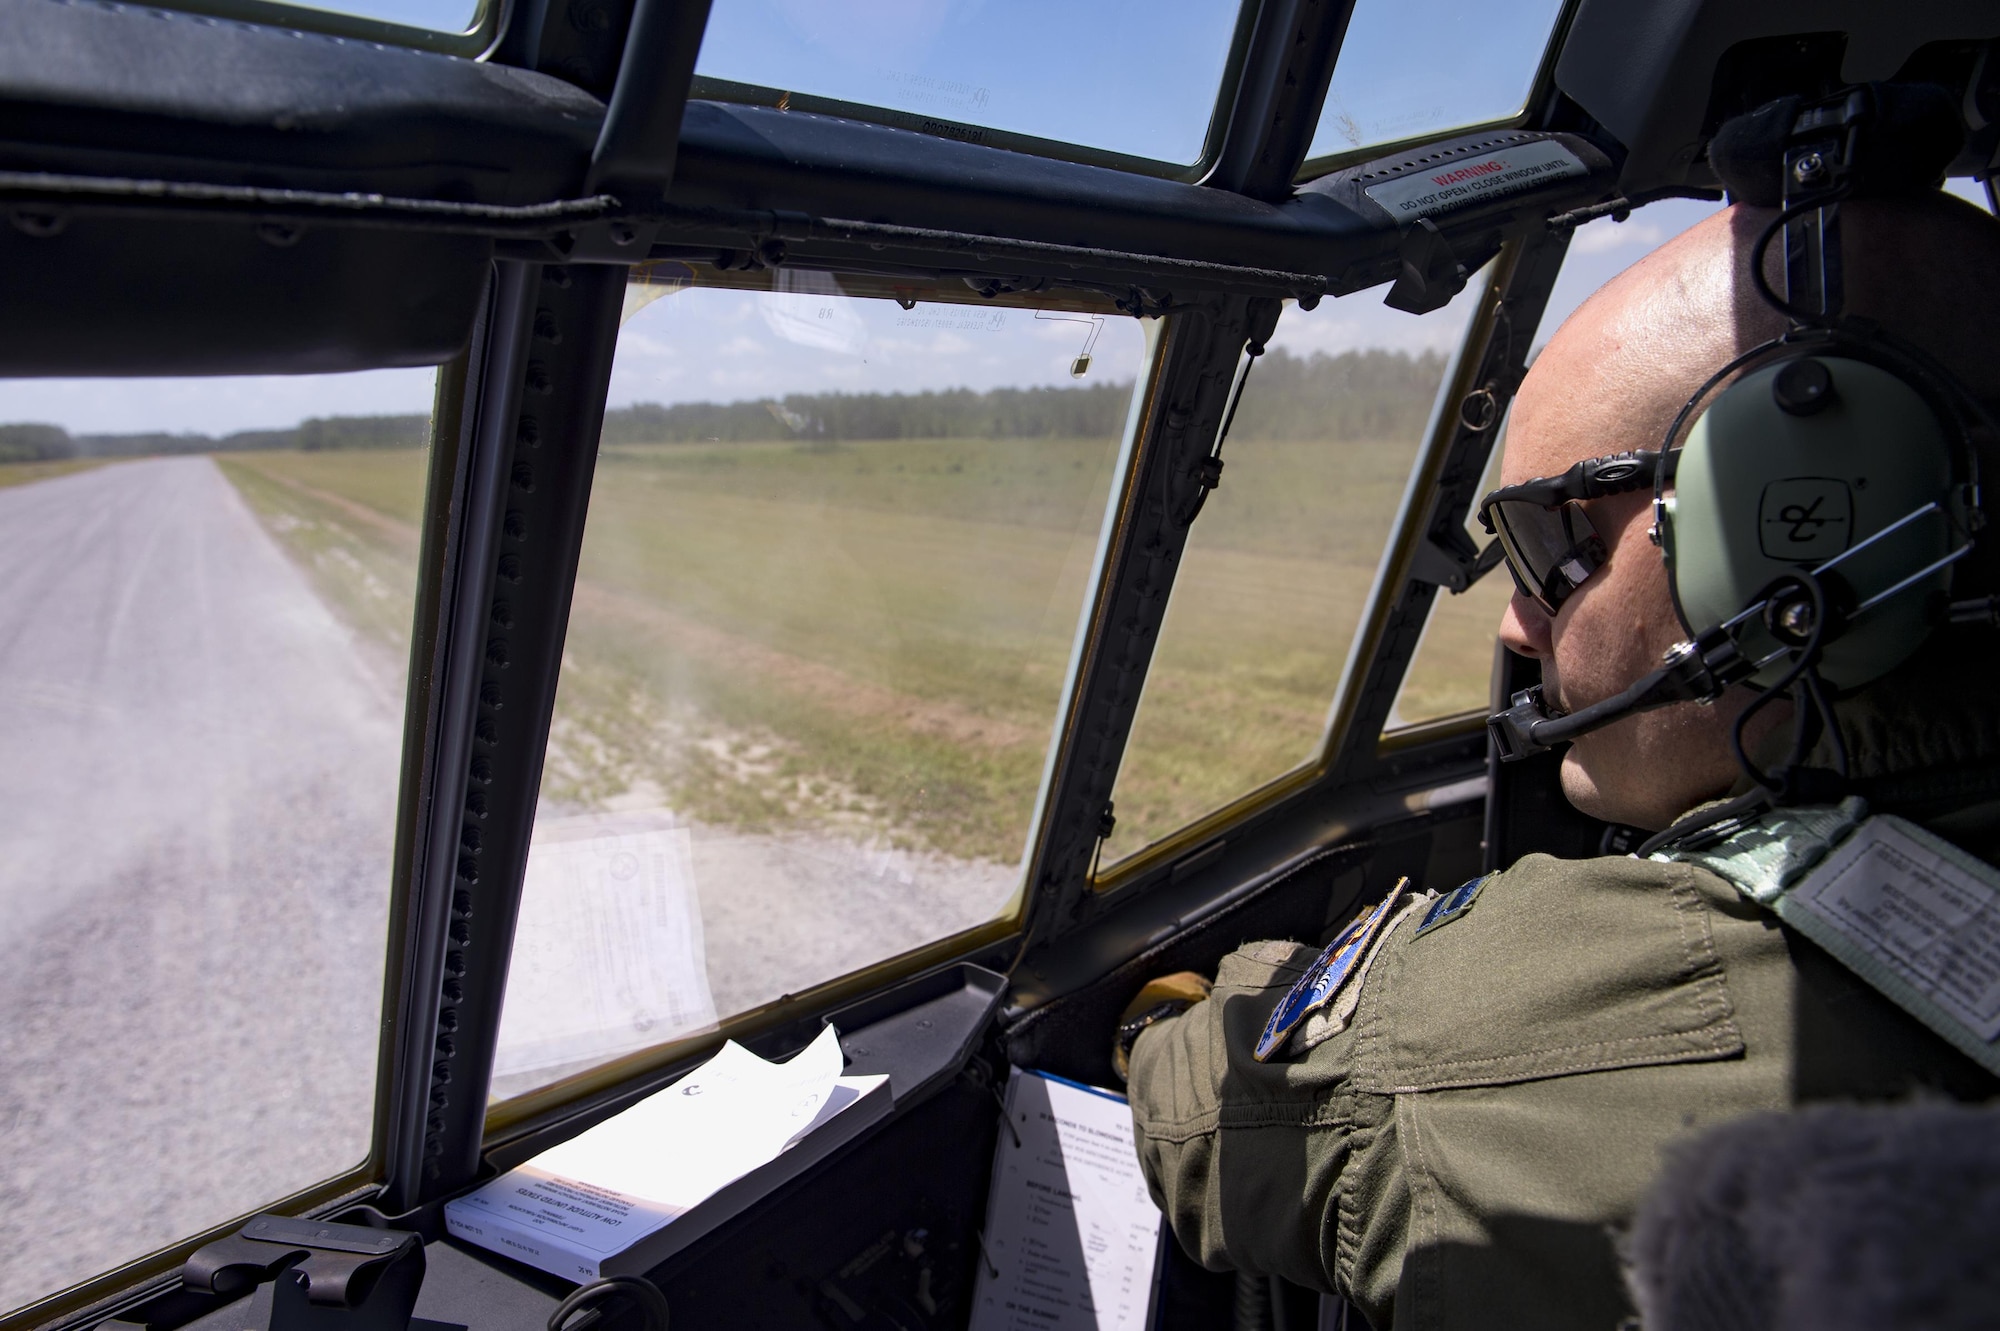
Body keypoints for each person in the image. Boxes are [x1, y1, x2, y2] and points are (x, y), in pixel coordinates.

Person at [1118, 191, 2000, 1331]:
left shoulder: (1520, 1042)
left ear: (1790, 541)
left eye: (1544, 543)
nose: (1512, 627)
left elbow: (1201, 1109)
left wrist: (1156, 1013)